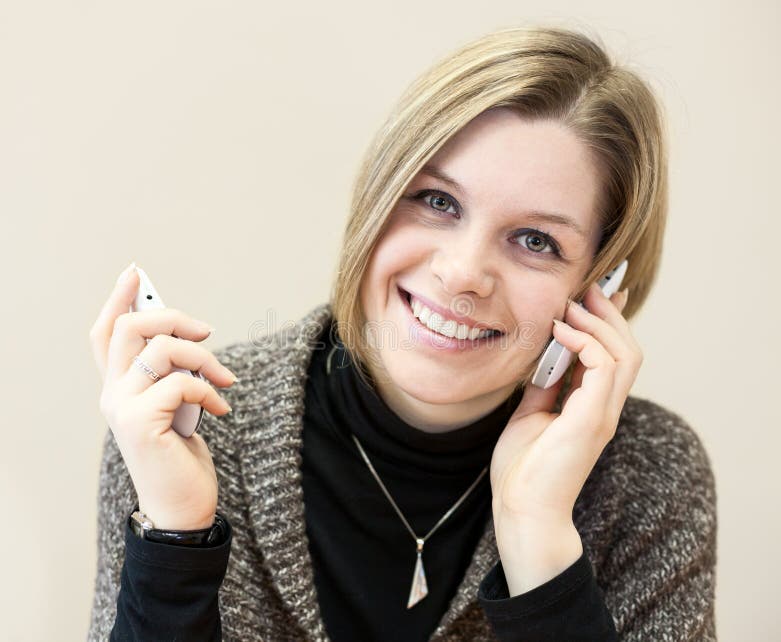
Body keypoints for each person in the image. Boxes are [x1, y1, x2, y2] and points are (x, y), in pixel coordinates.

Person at [87, 25, 717, 641]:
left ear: (597, 290)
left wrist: (537, 538)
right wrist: (176, 541)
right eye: (439, 201)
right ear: (378, 199)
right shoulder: (184, 424)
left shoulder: (646, 473)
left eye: (536, 240)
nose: (463, 273)